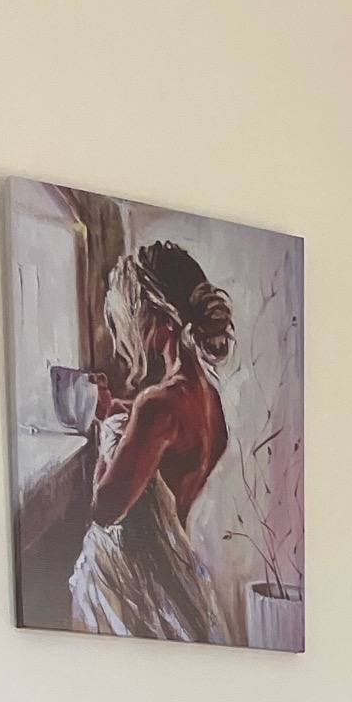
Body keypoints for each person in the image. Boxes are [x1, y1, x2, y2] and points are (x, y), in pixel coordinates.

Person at [70, 241, 235, 641]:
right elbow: (165, 454)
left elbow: (105, 508)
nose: (129, 326)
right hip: (179, 584)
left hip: (133, 586)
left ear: (162, 317)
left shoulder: (157, 405)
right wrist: (119, 411)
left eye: (135, 312)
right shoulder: (208, 400)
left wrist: (108, 425)